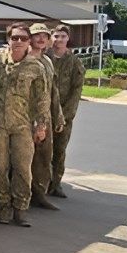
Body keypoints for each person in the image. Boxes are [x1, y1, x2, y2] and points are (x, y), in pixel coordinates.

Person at [0, 23, 48, 227]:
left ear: (29, 42)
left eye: (23, 38)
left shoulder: (36, 67)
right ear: (8, 39)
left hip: (21, 124)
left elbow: (42, 99)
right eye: (14, 38)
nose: (18, 42)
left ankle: (21, 208)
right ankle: (3, 208)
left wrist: (41, 126)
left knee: (23, 168)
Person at [27, 23, 64, 211]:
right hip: (26, 115)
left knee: (44, 156)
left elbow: (53, 91)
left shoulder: (47, 61)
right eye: (36, 35)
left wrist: (58, 115)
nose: (41, 39)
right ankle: (25, 196)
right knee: (27, 158)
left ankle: (40, 194)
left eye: (44, 35)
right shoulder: (24, 59)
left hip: (46, 115)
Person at [47, 24, 85, 198]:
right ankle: (42, 184)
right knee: (43, 151)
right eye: (56, 36)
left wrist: (65, 115)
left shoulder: (74, 61)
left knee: (59, 150)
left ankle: (56, 183)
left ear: (68, 39)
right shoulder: (45, 57)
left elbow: (77, 90)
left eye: (62, 36)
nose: (59, 40)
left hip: (64, 112)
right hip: (45, 111)